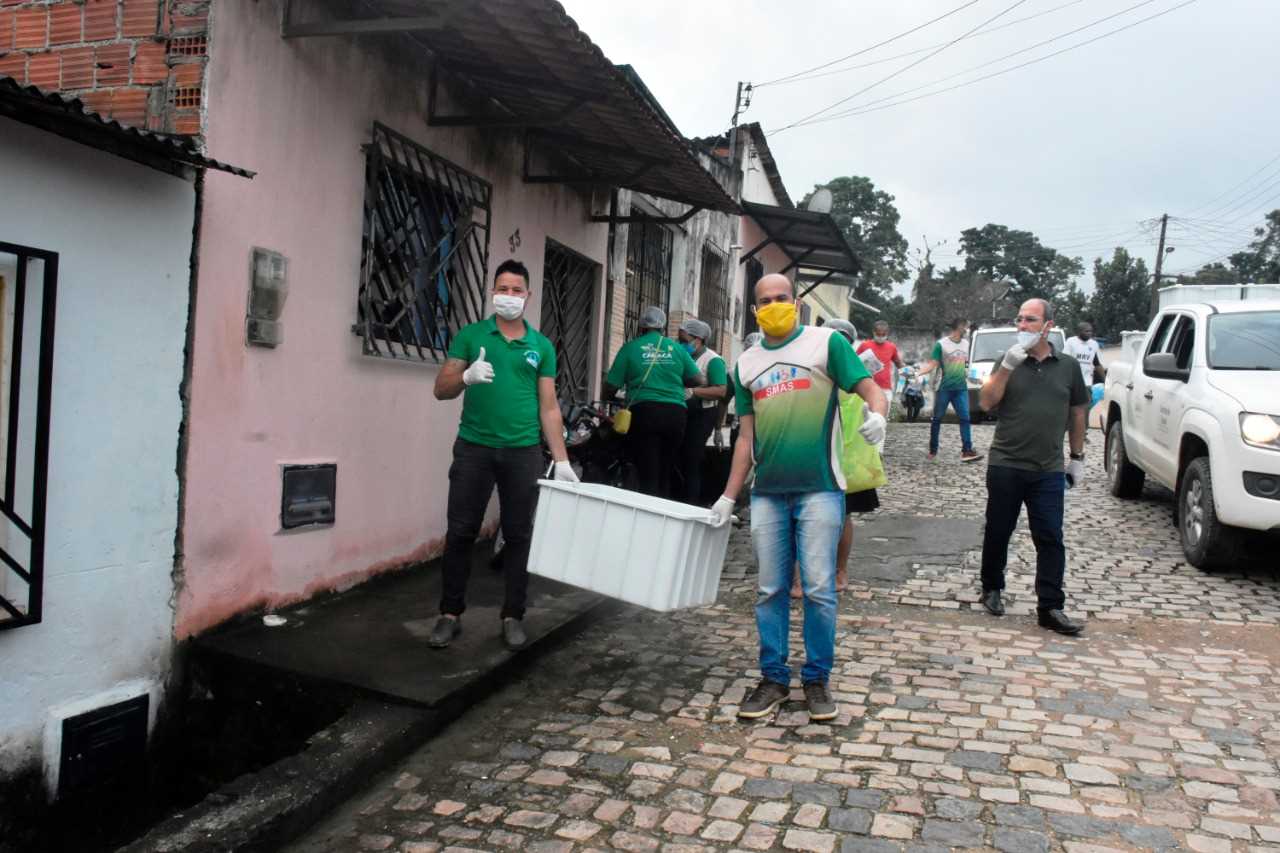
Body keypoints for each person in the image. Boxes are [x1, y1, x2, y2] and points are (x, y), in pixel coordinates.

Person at [710, 274, 888, 722]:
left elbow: (869, 388)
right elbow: (746, 439)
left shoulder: (826, 344)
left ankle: (816, 679)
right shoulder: (745, 364)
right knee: (769, 589)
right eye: (765, 301)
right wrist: (730, 497)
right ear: (755, 310)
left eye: (781, 298)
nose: (774, 305)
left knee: (819, 590)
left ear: (796, 302)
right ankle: (772, 678)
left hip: (820, 490)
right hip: (768, 494)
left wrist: (879, 415)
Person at [429, 259, 578, 652]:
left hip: (523, 452)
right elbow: (440, 389)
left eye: (516, 290)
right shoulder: (471, 336)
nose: (508, 296)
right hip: (474, 449)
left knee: (518, 535)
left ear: (528, 296)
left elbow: (548, 407)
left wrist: (561, 460)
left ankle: (513, 615)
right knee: (460, 532)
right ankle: (449, 614)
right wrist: (464, 376)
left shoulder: (541, 345)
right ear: (492, 292)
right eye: (502, 288)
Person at [977, 298, 1089, 636]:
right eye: (1020, 319)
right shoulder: (1006, 360)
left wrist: (1078, 458)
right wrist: (1008, 366)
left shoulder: (1068, 366)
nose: (1022, 325)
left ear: (1047, 326)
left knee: (1050, 536)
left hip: (1048, 468)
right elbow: (985, 402)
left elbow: (1078, 412)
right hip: (1006, 463)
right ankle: (992, 587)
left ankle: (1050, 606)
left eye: (1030, 320)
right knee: (999, 530)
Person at [790, 318, 881, 599]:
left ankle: (837, 571)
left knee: (839, 516)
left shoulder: (857, 371)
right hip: (815, 453)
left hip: (848, 459)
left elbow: (874, 403)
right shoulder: (810, 366)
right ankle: (802, 577)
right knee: (805, 515)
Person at [604, 306, 703, 499]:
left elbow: (611, 385)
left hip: (644, 414)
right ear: (663, 328)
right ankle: (663, 515)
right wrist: (676, 380)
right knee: (665, 470)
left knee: (647, 470)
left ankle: (647, 519)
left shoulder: (630, 348)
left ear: (641, 327)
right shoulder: (675, 348)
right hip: (675, 415)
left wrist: (609, 396)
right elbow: (698, 379)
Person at [674, 318, 727, 505]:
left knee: (692, 457)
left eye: (684, 341)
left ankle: (692, 501)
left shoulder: (713, 361)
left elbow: (721, 390)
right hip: (682, 412)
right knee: (677, 456)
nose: (681, 344)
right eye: (679, 340)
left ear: (698, 340)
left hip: (703, 415)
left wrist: (694, 391)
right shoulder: (682, 356)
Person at [920, 318, 982, 463]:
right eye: (965, 327)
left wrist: (974, 378)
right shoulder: (941, 345)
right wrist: (918, 373)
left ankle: (967, 450)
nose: (966, 329)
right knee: (937, 419)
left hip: (961, 388)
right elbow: (933, 364)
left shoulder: (966, 344)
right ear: (958, 327)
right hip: (944, 388)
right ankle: (933, 450)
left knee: (965, 418)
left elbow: (965, 365)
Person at [856, 319, 906, 413]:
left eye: (884, 335)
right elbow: (854, 361)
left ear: (887, 334)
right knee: (868, 418)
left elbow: (898, 363)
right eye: (878, 334)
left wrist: (908, 370)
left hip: (886, 388)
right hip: (868, 386)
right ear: (873, 332)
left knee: (882, 419)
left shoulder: (891, 347)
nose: (881, 337)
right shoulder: (864, 345)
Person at [1064, 321, 1104, 386]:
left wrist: (1105, 381)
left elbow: (1097, 364)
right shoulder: (1071, 342)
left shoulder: (1094, 344)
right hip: (1072, 382)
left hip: (1087, 383)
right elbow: (1065, 360)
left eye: (1091, 331)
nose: (1089, 333)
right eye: (1087, 331)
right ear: (1079, 332)